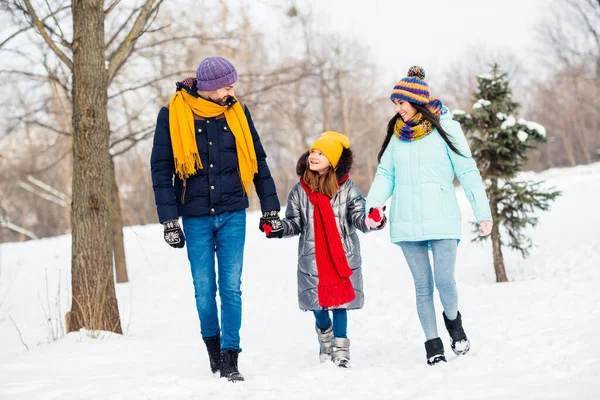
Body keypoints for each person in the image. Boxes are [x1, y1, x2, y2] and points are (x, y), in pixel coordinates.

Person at [150, 56, 282, 382]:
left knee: (231, 288)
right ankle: (212, 346)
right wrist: (169, 221)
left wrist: (270, 209)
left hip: (233, 212)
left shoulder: (236, 112)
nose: (231, 91)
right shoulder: (172, 114)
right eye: (226, 85)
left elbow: (258, 159)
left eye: (232, 85)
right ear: (208, 88)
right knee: (203, 289)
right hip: (194, 217)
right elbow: (161, 169)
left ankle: (230, 356)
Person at [365, 66, 493, 366]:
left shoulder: (447, 128)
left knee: (445, 281)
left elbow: (467, 171)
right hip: (406, 219)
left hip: (442, 217)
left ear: (416, 102)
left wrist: (482, 213)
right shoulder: (397, 136)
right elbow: (385, 173)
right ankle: (432, 345)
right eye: (395, 105)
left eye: (401, 103)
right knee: (422, 286)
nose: (398, 110)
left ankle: (454, 322)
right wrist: (374, 205)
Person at [262, 131, 386, 368]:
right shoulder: (300, 190)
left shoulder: (348, 188)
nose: (314, 156)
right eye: (313, 152)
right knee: (317, 306)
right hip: (313, 258)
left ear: (334, 160)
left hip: (341, 257)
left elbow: (359, 216)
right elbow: (294, 222)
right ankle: (325, 333)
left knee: (340, 304)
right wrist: (277, 228)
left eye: (321, 153)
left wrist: (373, 220)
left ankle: (340, 349)